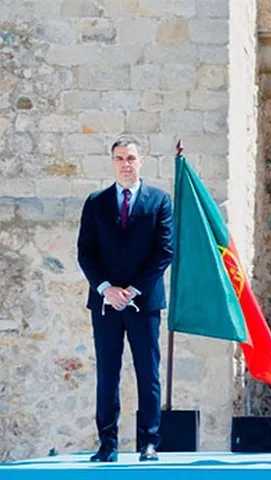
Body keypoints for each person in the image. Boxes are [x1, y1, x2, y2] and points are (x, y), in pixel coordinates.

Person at [77, 136, 174, 462]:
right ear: (112, 162)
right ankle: (108, 444)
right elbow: (85, 252)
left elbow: (164, 252)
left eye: (131, 158)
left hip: (143, 302)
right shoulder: (96, 202)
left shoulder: (159, 200)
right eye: (120, 159)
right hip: (104, 303)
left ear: (140, 161)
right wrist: (107, 288)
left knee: (148, 373)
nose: (126, 164)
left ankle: (149, 442)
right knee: (108, 373)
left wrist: (131, 291)